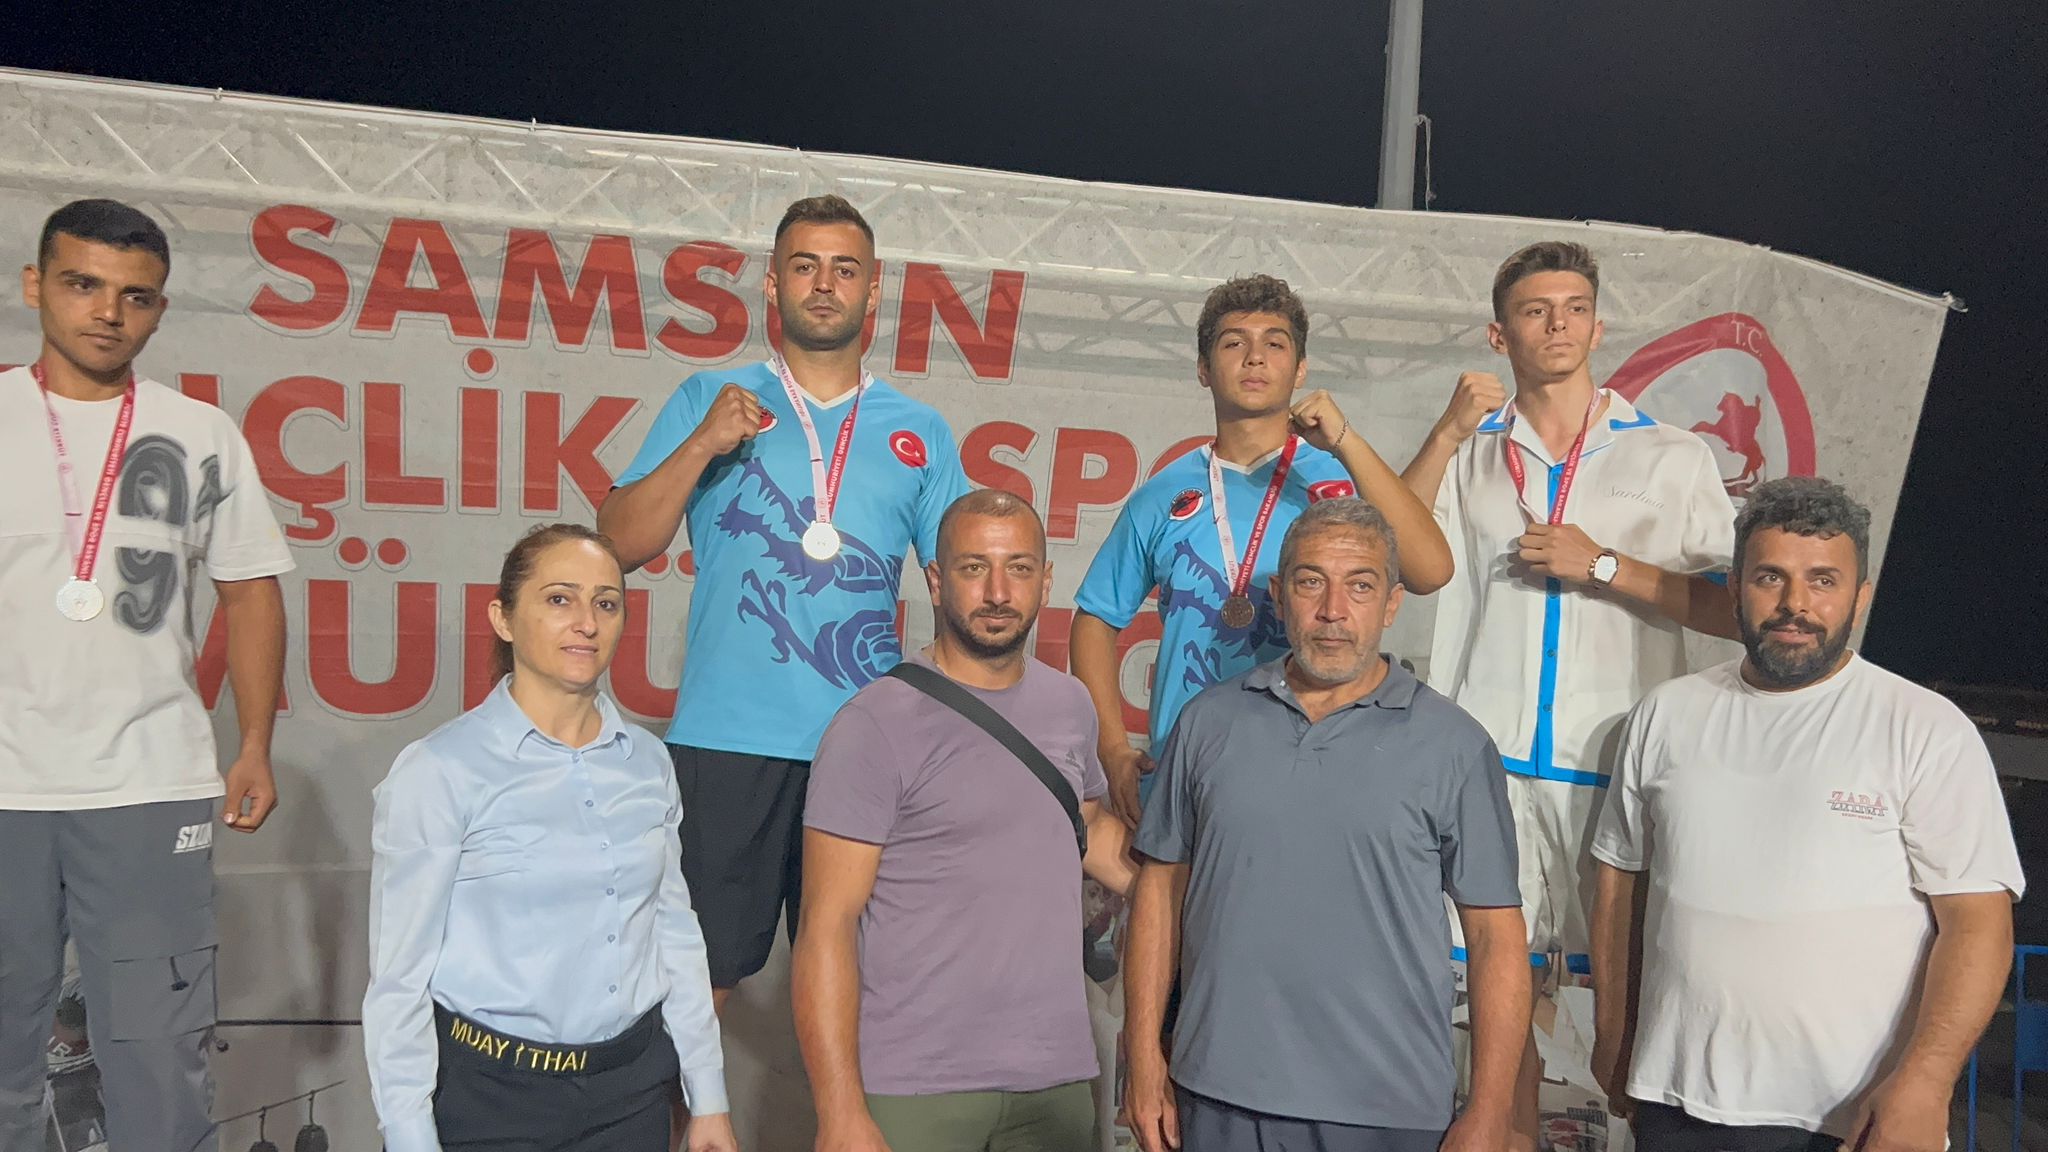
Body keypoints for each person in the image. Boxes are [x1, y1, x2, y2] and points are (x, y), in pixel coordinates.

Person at [1400, 240, 1739, 1139]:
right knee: (1491, 994)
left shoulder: (1671, 456)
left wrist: (1604, 565)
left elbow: (1733, 608)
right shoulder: (1470, 454)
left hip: (1619, 766)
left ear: (1598, 325)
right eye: (1535, 310)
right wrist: (1443, 434)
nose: (1557, 325)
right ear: (1499, 333)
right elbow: (1400, 554)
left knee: (1639, 1008)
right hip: (1491, 764)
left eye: (1575, 308)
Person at [598, 194, 970, 1010]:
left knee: (864, 993)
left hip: (867, 746)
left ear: (875, 292)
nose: (824, 285)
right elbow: (618, 543)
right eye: (805, 267)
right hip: (726, 738)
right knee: (695, 991)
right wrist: (703, 444)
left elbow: (965, 587)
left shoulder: (922, 430)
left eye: (845, 270)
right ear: (772, 285)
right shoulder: (709, 396)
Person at [1590, 477, 2023, 1152]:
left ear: (1860, 596)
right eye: (1771, 578)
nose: (1796, 604)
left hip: (1847, 1119)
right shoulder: (1666, 713)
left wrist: (1926, 1083)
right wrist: (1615, 1033)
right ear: (1735, 589)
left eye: (1823, 580)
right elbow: (1621, 881)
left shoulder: (1924, 728)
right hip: (1673, 1101)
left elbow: (1977, 924)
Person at [0, 199, 292, 1152]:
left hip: (150, 783)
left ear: (160, 309)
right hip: (4, 789)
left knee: (160, 1065)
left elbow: (251, 594)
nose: (107, 312)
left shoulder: (200, 432)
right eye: (82, 284)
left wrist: (254, 744)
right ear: (35, 285)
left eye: (135, 296)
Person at [1123, 497, 1530, 1152]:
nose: (1333, 610)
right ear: (1280, 597)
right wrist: (1143, 1059)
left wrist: (1490, 1109)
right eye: (1311, 582)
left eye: (1360, 586)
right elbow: (1159, 893)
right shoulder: (1208, 722)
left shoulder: (1454, 745)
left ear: (1391, 604)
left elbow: (1494, 938)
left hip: (1387, 1108)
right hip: (1217, 1094)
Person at [363, 524, 738, 1152]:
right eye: (560, 599)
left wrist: (709, 1099)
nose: (586, 623)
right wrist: (409, 1140)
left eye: (606, 603)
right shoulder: (440, 770)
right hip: (491, 1099)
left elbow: (675, 934)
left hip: (632, 1094)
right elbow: (399, 978)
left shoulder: (648, 763)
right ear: (503, 618)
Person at [793, 490, 1137, 1152]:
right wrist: (839, 1111)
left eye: (1019, 568)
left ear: (1045, 581)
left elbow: (1087, 833)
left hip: (1056, 1080)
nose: (998, 592)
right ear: (935, 580)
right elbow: (825, 928)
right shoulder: (873, 723)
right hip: (914, 1089)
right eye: (974, 567)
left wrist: (1189, 883)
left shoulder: (1071, 705)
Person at [1072, 273, 1453, 828]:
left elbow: (1430, 571)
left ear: (1300, 370)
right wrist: (1111, 748)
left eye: (1275, 344)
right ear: (1203, 369)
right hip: (1189, 770)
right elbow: (1094, 618)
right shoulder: (1163, 495)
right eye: (1234, 343)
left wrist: (1346, 440)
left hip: (1321, 763)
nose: (1255, 357)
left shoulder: (1341, 478)